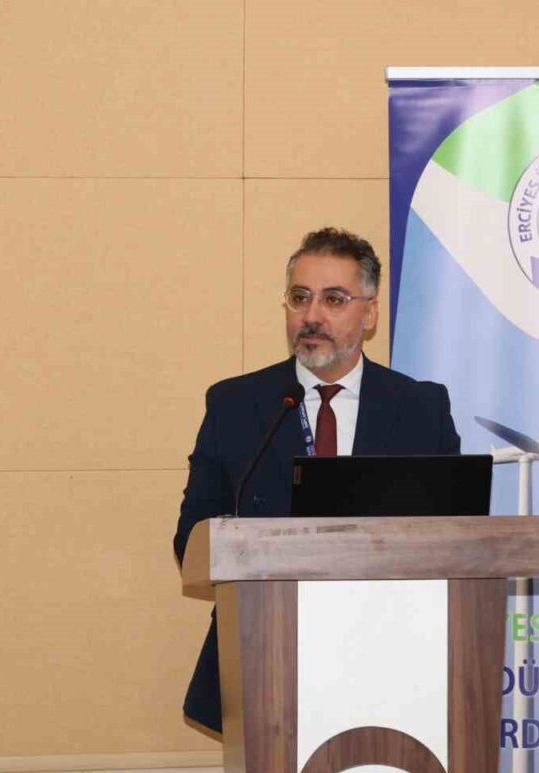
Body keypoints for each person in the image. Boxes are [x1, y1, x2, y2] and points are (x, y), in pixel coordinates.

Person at [173, 227, 461, 736]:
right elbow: (190, 537)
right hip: (263, 656)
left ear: (369, 314)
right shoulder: (236, 405)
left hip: (392, 665)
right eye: (300, 297)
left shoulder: (420, 408)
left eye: (334, 299)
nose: (312, 315)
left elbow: (456, 537)